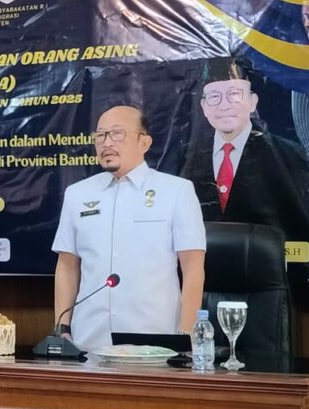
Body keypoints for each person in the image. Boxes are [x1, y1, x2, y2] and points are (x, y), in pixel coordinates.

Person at [52, 105, 205, 352]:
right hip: (89, 340)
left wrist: (186, 337)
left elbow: (193, 267)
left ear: (144, 142)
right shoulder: (78, 194)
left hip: (156, 342)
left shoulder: (176, 191)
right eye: (100, 135)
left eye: (117, 134)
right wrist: (63, 329)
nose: (106, 143)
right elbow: (67, 265)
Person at [179, 62, 309, 244]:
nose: (224, 106)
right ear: (204, 106)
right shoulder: (183, 157)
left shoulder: (291, 156)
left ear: (253, 102)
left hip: (267, 267)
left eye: (234, 94)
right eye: (214, 96)